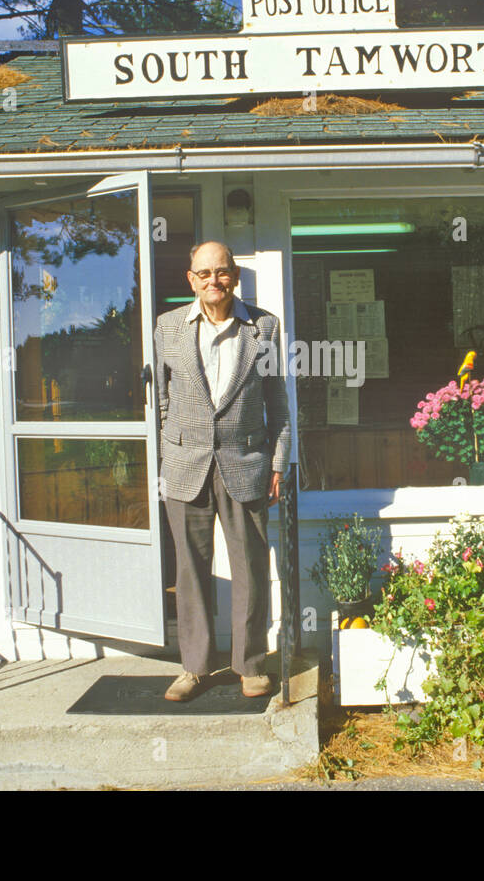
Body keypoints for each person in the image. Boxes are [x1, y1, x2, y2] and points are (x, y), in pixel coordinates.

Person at [154, 240, 291, 701]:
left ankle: (251, 665)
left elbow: (277, 401)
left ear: (235, 275)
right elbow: (161, 401)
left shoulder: (264, 327)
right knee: (190, 569)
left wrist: (278, 462)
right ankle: (193, 667)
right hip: (185, 463)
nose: (214, 280)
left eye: (222, 271)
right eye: (204, 273)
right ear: (191, 279)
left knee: (250, 566)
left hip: (246, 462)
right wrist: (165, 457)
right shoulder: (167, 327)